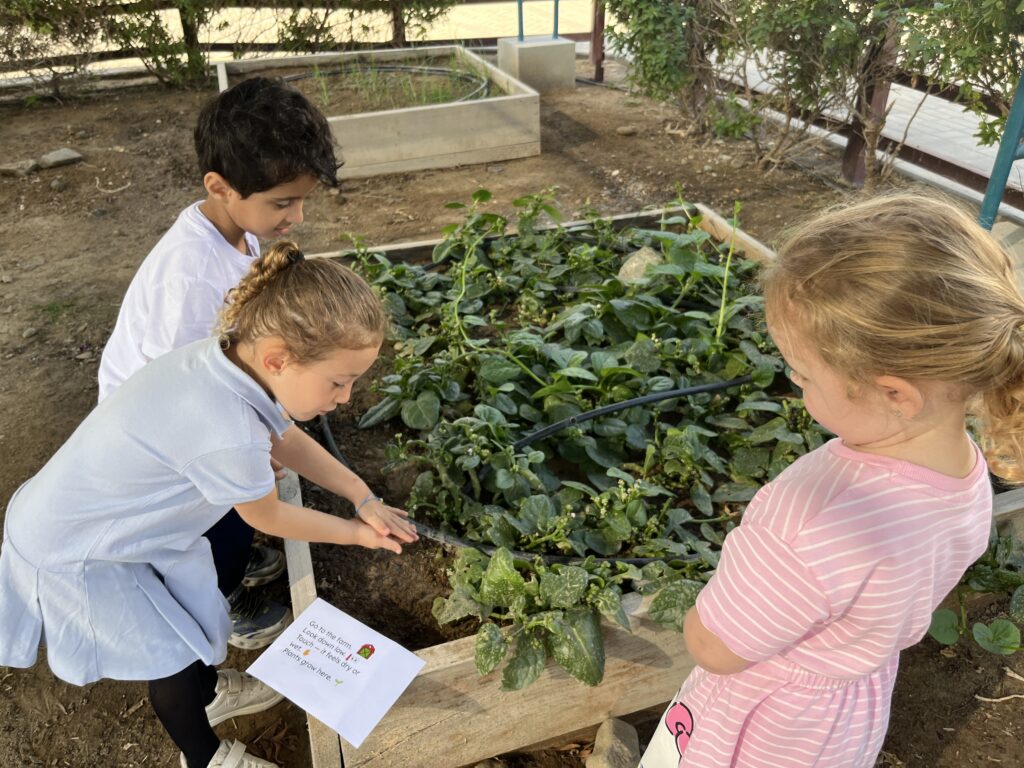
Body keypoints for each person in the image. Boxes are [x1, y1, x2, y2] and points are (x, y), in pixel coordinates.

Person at [0, 242, 418, 768]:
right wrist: (356, 532)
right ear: (278, 359)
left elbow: (284, 437)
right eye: (339, 381)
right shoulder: (229, 428)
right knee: (171, 653)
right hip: (79, 549)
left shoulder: (227, 359)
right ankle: (205, 758)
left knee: (186, 622)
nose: (347, 396)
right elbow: (268, 515)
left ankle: (208, 693)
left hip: (101, 520)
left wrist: (362, 495)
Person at [640, 192, 1022, 767]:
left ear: (895, 394)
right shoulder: (963, 472)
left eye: (803, 374)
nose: (795, 385)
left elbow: (715, 648)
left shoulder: (813, 516)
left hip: (767, 723)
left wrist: (706, 612)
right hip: (845, 714)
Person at [97, 75, 341, 649]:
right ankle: (222, 595)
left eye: (301, 199)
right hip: (160, 439)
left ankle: (228, 561)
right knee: (220, 519)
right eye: (283, 202)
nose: (297, 216)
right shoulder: (188, 279)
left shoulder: (237, 231)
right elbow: (173, 398)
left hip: (191, 411)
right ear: (220, 186)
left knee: (239, 502)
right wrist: (243, 450)